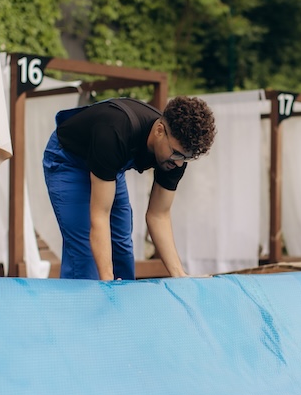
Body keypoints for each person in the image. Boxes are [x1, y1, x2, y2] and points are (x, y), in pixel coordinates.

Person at [43, 96, 216, 280]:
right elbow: (100, 216)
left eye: (187, 157)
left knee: (122, 248)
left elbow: (158, 215)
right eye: (177, 154)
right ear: (159, 130)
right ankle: (86, 304)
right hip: (69, 161)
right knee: (85, 255)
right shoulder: (115, 131)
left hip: (110, 166)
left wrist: (179, 274)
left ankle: (123, 305)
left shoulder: (176, 157)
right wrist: (108, 284)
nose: (180, 163)